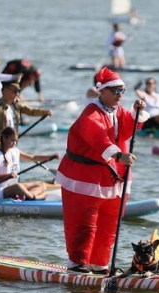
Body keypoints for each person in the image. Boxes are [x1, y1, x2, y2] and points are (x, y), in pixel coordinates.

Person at [56, 67, 148, 274]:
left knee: (109, 225)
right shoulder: (90, 113)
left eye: (122, 91)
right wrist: (118, 156)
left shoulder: (118, 111)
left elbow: (127, 128)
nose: (119, 95)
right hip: (85, 177)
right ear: (102, 92)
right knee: (84, 224)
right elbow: (97, 137)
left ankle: (100, 265)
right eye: (115, 91)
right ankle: (78, 263)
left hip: (112, 177)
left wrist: (136, 112)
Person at [0, 127, 59, 201]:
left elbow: (32, 157)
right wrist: (7, 176)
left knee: (41, 185)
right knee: (18, 186)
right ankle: (35, 197)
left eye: (16, 141)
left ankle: (27, 196)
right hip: (0, 192)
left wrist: (50, 157)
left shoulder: (14, 151)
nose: (14, 143)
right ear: (4, 139)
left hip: (13, 188)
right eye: (12, 140)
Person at [0, 80, 53, 152]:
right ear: (5, 91)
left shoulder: (16, 105)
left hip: (13, 145)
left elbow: (30, 111)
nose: (17, 93)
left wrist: (44, 112)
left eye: (18, 91)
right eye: (14, 91)